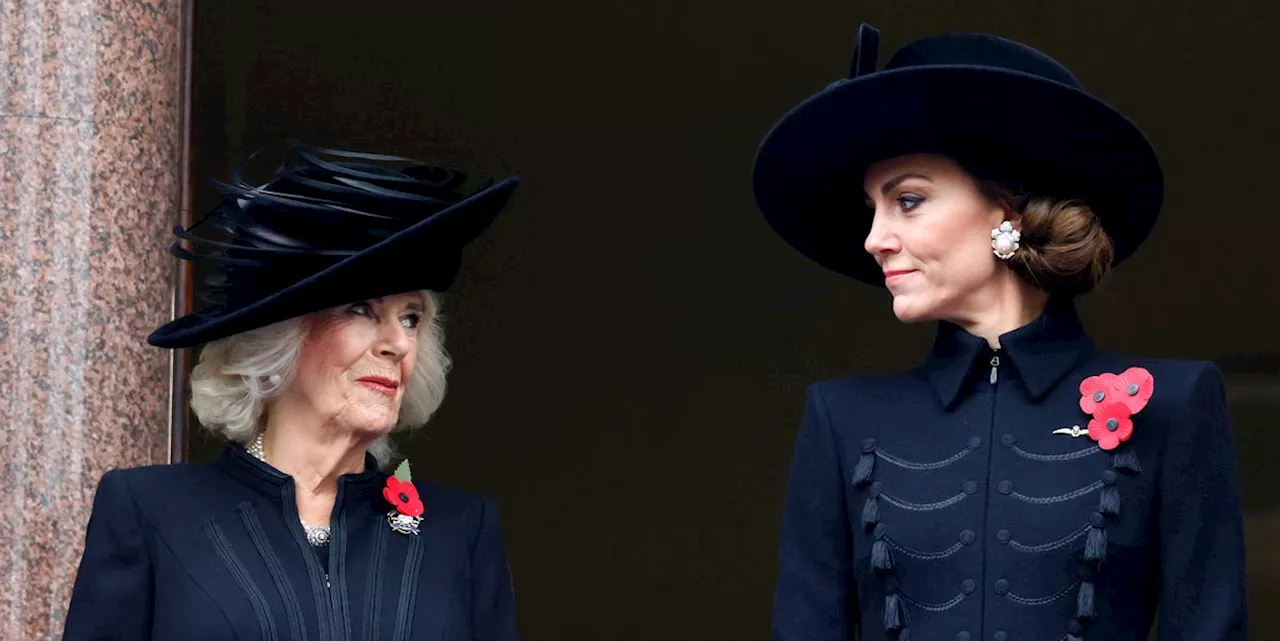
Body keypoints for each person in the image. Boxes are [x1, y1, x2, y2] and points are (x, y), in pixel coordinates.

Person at [753, 24, 1247, 641]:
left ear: (1009, 211)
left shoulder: (1175, 404)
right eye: (871, 209)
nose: (873, 239)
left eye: (907, 200)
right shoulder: (842, 417)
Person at [63, 147, 522, 640]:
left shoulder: (460, 530)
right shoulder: (151, 510)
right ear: (280, 338)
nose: (399, 343)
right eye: (362, 309)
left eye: (411, 317)